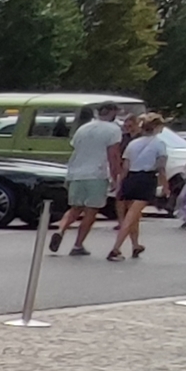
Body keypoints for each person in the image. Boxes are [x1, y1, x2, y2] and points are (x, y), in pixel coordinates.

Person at [55, 102, 123, 257]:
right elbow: (113, 156)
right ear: (112, 113)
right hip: (97, 174)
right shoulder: (113, 130)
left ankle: (61, 229)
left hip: (76, 172)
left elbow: (76, 150)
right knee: (91, 210)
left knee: (74, 208)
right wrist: (116, 177)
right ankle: (78, 244)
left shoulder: (83, 128)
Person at [108, 113, 169, 260]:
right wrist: (165, 186)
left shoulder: (133, 143)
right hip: (146, 179)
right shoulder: (159, 144)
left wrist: (120, 185)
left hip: (130, 179)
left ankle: (135, 245)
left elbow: (125, 166)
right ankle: (115, 249)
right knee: (131, 216)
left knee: (134, 215)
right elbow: (161, 167)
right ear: (157, 127)